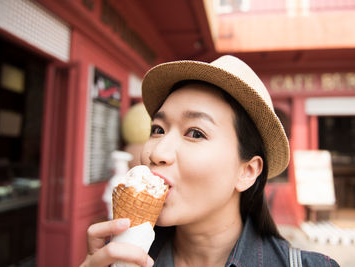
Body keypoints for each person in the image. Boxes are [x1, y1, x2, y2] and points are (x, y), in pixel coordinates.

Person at [81, 55, 339, 267]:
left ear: (248, 171)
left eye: (195, 133)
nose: (157, 152)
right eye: (158, 129)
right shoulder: (117, 256)